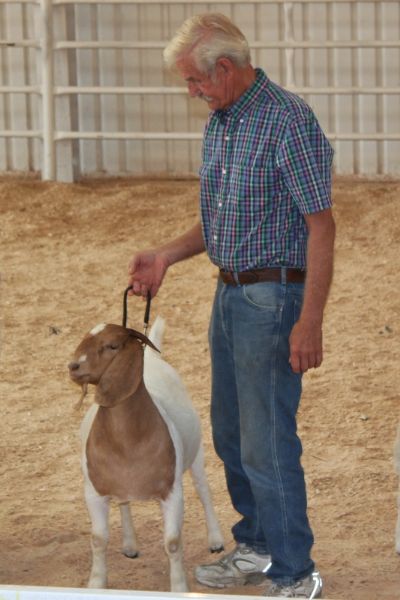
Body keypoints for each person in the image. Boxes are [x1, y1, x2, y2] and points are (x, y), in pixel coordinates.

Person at [128, 13, 335, 599]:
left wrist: (308, 319)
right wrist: (168, 254)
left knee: (267, 440)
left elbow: (322, 227)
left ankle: (297, 573)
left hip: (273, 300)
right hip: (231, 293)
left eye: (195, 82)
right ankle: (259, 545)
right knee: (232, 433)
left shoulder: (288, 122)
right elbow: (223, 220)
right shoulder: (224, 122)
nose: (192, 93)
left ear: (225, 68)